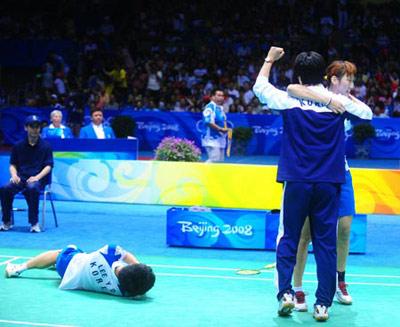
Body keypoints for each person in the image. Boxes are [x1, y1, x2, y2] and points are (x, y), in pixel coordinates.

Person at [252, 47, 372, 321]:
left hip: (296, 180)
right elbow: (367, 114)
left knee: (289, 238)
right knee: (325, 243)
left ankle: (285, 294)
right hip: (329, 183)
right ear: (324, 74)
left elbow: (260, 87)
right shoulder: (338, 103)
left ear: (298, 75)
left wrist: (270, 60)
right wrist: (333, 97)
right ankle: (322, 305)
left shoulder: (287, 100)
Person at [286, 60, 372, 311]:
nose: (352, 84)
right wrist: (327, 100)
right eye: (349, 79)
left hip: (340, 172)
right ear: (334, 79)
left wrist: (345, 98)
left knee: (344, 227)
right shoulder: (315, 97)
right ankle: (298, 287)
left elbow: (367, 113)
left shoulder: (345, 102)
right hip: (313, 174)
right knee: (305, 234)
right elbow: (292, 89)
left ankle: (339, 281)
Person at [5, 244, 156, 298]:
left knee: (60, 252)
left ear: (132, 267)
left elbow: (126, 254)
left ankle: (18, 269)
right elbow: (140, 292)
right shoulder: (124, 291)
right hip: (76, 279)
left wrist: (138, 264)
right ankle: (52, 266)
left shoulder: (109, 252)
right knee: (83, 254)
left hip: (68, 263)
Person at [0, 115, 54, 233]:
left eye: (37, 127)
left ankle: (34, 223)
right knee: (5, 189)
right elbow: (13, 164)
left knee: (32, 188)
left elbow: (48, 166)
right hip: (21, 178)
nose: (35, 129)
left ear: (40, 129)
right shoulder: (18, 146)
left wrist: (37, 177)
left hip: (38, 179)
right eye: (32, 126)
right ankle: (6, 221)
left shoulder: (46, 146)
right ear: (26, 128)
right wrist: (14, 175)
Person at [201, 88, 229, 162]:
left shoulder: (220, 108)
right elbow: (208, 122)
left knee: (220, 162)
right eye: (219, 95)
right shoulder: (210, 107)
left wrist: (225, 130)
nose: (221, 97)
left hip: (220, 139)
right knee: (214, 159)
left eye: (222, 95)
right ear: (212, 97)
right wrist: (220, 129)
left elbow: (223, 122)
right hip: (211, 139)